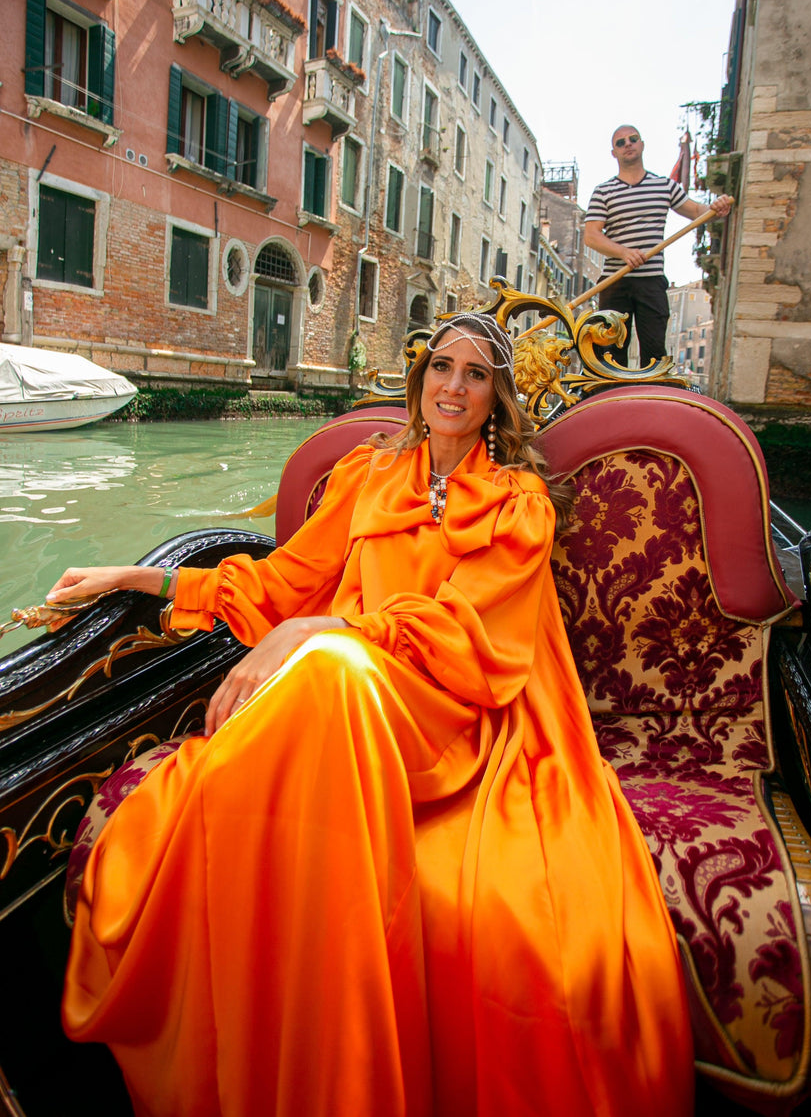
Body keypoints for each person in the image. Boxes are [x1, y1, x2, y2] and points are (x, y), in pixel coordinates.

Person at [47, 312, 694, 1117]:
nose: (453, 386)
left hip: (452, 705)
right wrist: (137, 581)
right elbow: (282, 583)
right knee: (325, 675)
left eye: (476, 375)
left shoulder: (517, 500)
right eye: (441, 368)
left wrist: (326, 627)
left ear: (497, 399)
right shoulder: (365, 475)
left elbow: (470, 637)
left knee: (327, 665)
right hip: (349, 684)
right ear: (420, 379)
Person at [583, 124, 731, 367]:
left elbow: (696, 211)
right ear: (614, 153)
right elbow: (591, 236)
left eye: (633, 139)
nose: (628, 144)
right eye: (621, 142)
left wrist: (716, 208)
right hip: (615, 281)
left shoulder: (663, 186)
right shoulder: (604, 191)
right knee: (609, 355)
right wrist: (624, 253)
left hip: (651, 282)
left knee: (654, 354)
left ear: (642, 144)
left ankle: (650, 401)